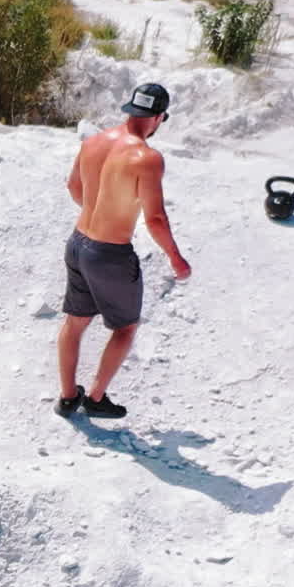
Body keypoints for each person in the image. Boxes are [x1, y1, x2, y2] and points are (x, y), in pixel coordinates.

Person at [54, 83, 191, 419]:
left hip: (78, 243)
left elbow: (73, 186)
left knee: (75, 322)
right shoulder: (147, 158)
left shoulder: (92, 142)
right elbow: (156, 218)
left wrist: (97, 211)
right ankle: (96, 398)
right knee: (125, 327)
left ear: (131, 110)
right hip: (110, 254)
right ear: (159, 118)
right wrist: (176, 257)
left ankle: (68, 397)